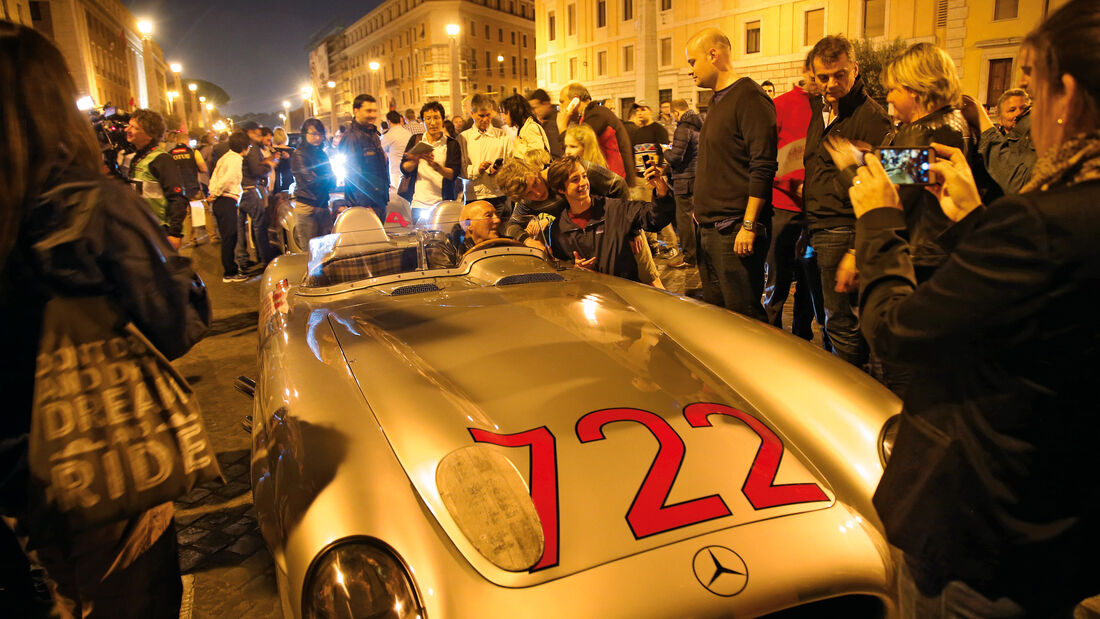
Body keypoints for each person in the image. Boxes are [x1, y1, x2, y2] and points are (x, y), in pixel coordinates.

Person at [848, 2, 1100, 614]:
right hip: (1060, 517)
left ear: (1063, 95)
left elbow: (896, 332)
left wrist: (876, 223)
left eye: (1033, 87)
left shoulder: (938, 138)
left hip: (985, 528)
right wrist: (976, 222)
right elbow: (1040, 296)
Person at [0, 22, 211, 617]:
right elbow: (178, 323)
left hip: (14, 474)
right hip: (97, 452)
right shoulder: (89, 202)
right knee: (129, 600)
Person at [803, 34, 892, 365]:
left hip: (843, 229)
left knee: (843, 322)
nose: (831, 83)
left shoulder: (872, 118)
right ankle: (836, 376)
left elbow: (883, 186)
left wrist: (857, 248)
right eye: (823, 77)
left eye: (839, 75)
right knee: (828, 319)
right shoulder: (823, 110)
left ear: (855, 69)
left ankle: (852, 384)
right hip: (817, 227)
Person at [685, 28, 778, 321]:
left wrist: (749, 225)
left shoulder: (750, 97)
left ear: (713, 55)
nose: (691, 71)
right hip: (710, 230)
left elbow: (763, 165)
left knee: (744, 319)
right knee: (719, 318)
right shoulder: (716, 101)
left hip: (734, 230)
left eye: (692, 62)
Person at [563, 124, 665, 288]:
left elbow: (621, 188)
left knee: (650, 277)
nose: (568, 151)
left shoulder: (592, 169)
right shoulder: (576, 169)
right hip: (608, 233)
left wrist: (633, 232)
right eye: (566, 146)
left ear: (586, 147)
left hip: (624, 227)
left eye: (573, 146)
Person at [545, 155, 675, 282]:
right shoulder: (559, 230)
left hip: (626, 292)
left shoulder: (615, 209)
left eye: (584, 176)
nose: (583, 183)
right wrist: (575, 268)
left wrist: (661, 190)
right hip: (592, 297)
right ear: (561, 189)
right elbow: (562, 270)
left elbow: (655, 218)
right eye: (575, 180)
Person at [498, 151, 628, 248]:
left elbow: (618, 185)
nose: (537, 194)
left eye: (535, 183)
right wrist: (528, 240)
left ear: (536, 171)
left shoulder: (567, 170)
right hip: (589, 240)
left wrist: (628, 230)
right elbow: (511, 226)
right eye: (529, 193)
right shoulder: (527, 202)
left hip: (618, 227)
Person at [122, 108, 190, 249]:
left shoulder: (161, 159)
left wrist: (174, 233)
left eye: (134, 127)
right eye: (128, 125)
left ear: (149, 134)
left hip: (160, 230)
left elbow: (178, 198)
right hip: (142, 228)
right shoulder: (137, 158)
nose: (127, 130)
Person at [557, 83, 636, 185]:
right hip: (613, 179)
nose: (560, 107)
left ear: (575, 100)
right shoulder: (591, 114)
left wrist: (562, 127)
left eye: (562, 102)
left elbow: (578, 145)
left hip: (616, 182)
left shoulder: (596, 115)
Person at [399, 101, 462, 221]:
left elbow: (453, 174)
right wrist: (415, 160)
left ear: (443, 120)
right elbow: (404, 169)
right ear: (423, 121)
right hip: (418, 203)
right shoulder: (416, 140)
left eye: (436, 118)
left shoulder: (451, 144)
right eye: (428, 118)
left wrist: (436, 166)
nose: (432, 123)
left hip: (442, 203)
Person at [458, 94, 513, 216]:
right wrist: (478, 169)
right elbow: (460, 169)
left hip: (499, 196)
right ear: (472, 114)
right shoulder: (463, 138)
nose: (485, 119)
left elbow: (511, 164)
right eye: (481, 116)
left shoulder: (503, 136)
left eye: (488, 115)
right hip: (474, 196)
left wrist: (500, 170)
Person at [236, 120, 280, 269]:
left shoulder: (237, 147)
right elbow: (256, 170)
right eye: (258, 134)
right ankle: (264, 258)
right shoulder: (251, 147)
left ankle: (243, 259)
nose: (259, 137)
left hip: (238, 190)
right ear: (249, 132)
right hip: (250, 188)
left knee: (241, 227)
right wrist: (269, 166)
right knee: (259, 224)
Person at [208, 130, 250, 282]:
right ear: (244, 146)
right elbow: (227, 179)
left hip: (220, 201)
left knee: (227, 236)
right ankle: (230, 272)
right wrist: (216, 193)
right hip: (226, 200)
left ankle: (230, 269)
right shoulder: (236, 159)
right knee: (229, 237)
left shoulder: (225, 157)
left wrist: (212, 192)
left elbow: (214, 176)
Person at [665, 99, 701, 269]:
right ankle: (698, 254)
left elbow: (676, 157)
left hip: (684, 178)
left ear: (677, 112)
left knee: (684, 219)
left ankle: (689, 256)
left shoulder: (683, 128)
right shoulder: (699, 125)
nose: (673, 118)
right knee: (696, 218)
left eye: (672, 114)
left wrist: (665, 150)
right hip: (697, 176)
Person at [340, 94, 389, 219]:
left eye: (374, 111)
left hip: (378, 201)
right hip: (363, 206)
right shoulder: (352, 137)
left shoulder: (372, 134)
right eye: (368, 111)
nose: (373, 115)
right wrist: (365, 206)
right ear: (356, 111)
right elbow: (353, 174)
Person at [291, 118, 337, 250]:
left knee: (328, 251)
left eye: (320, 134)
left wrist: (321, 177)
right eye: (313, 134)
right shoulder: (298, 154)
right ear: (304, 134)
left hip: (323, 206)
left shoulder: (322, 154)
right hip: (307, 207)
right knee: (310, 253)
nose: (317, 137)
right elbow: (310, 182)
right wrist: (325, 177)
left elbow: (333, 181)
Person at [501, 93, 551, 161]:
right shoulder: (524, 127)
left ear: (515, 112)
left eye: (505, 113)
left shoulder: (530, 128)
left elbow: (537, 158)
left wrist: (519, 146)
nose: (503, 117)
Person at [381, 110, 412, 190]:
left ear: (389, 121)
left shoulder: (388, 136)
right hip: (409, 170)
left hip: (396, 171)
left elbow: (380, 150)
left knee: (397, 197)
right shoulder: (408, 133)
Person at [527, 88, 563, 157]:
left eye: (535, 107)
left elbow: (555, 153)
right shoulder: (545, 121)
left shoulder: (554, 122)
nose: (534, 112)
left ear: (547, 104)